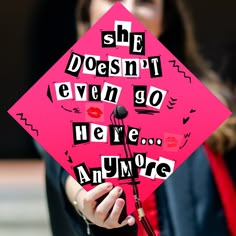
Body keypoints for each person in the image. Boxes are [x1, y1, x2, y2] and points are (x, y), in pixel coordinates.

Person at [32, 0, 236, 235]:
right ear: (88, 12)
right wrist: (85, 200)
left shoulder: (212, 103)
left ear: (165, 19)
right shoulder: (65, 101)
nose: (127, 11)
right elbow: (65, 167)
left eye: (145, 2)